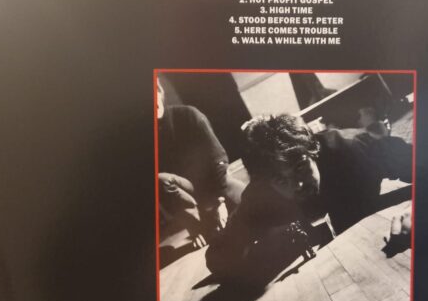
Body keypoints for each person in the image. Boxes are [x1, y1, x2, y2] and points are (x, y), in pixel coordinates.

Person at [206, 114, 412, 280]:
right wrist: (266, 245)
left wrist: (414, 211)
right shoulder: (260, 197)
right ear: (265, 184)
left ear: (313, 153)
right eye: (280, 179)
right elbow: (216, 258)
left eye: (300, 167)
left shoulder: (351, 150)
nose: (298, 185)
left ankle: (380, 126)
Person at [157, 81, 242, 247]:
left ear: (159, 91)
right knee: (159, 180)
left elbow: (217, 158)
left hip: (218, 186)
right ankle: (200, 226)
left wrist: (219, 202)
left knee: (254, 211)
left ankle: (214, 219)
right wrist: (192, 226)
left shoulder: (188, 115)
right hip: (192, 194)